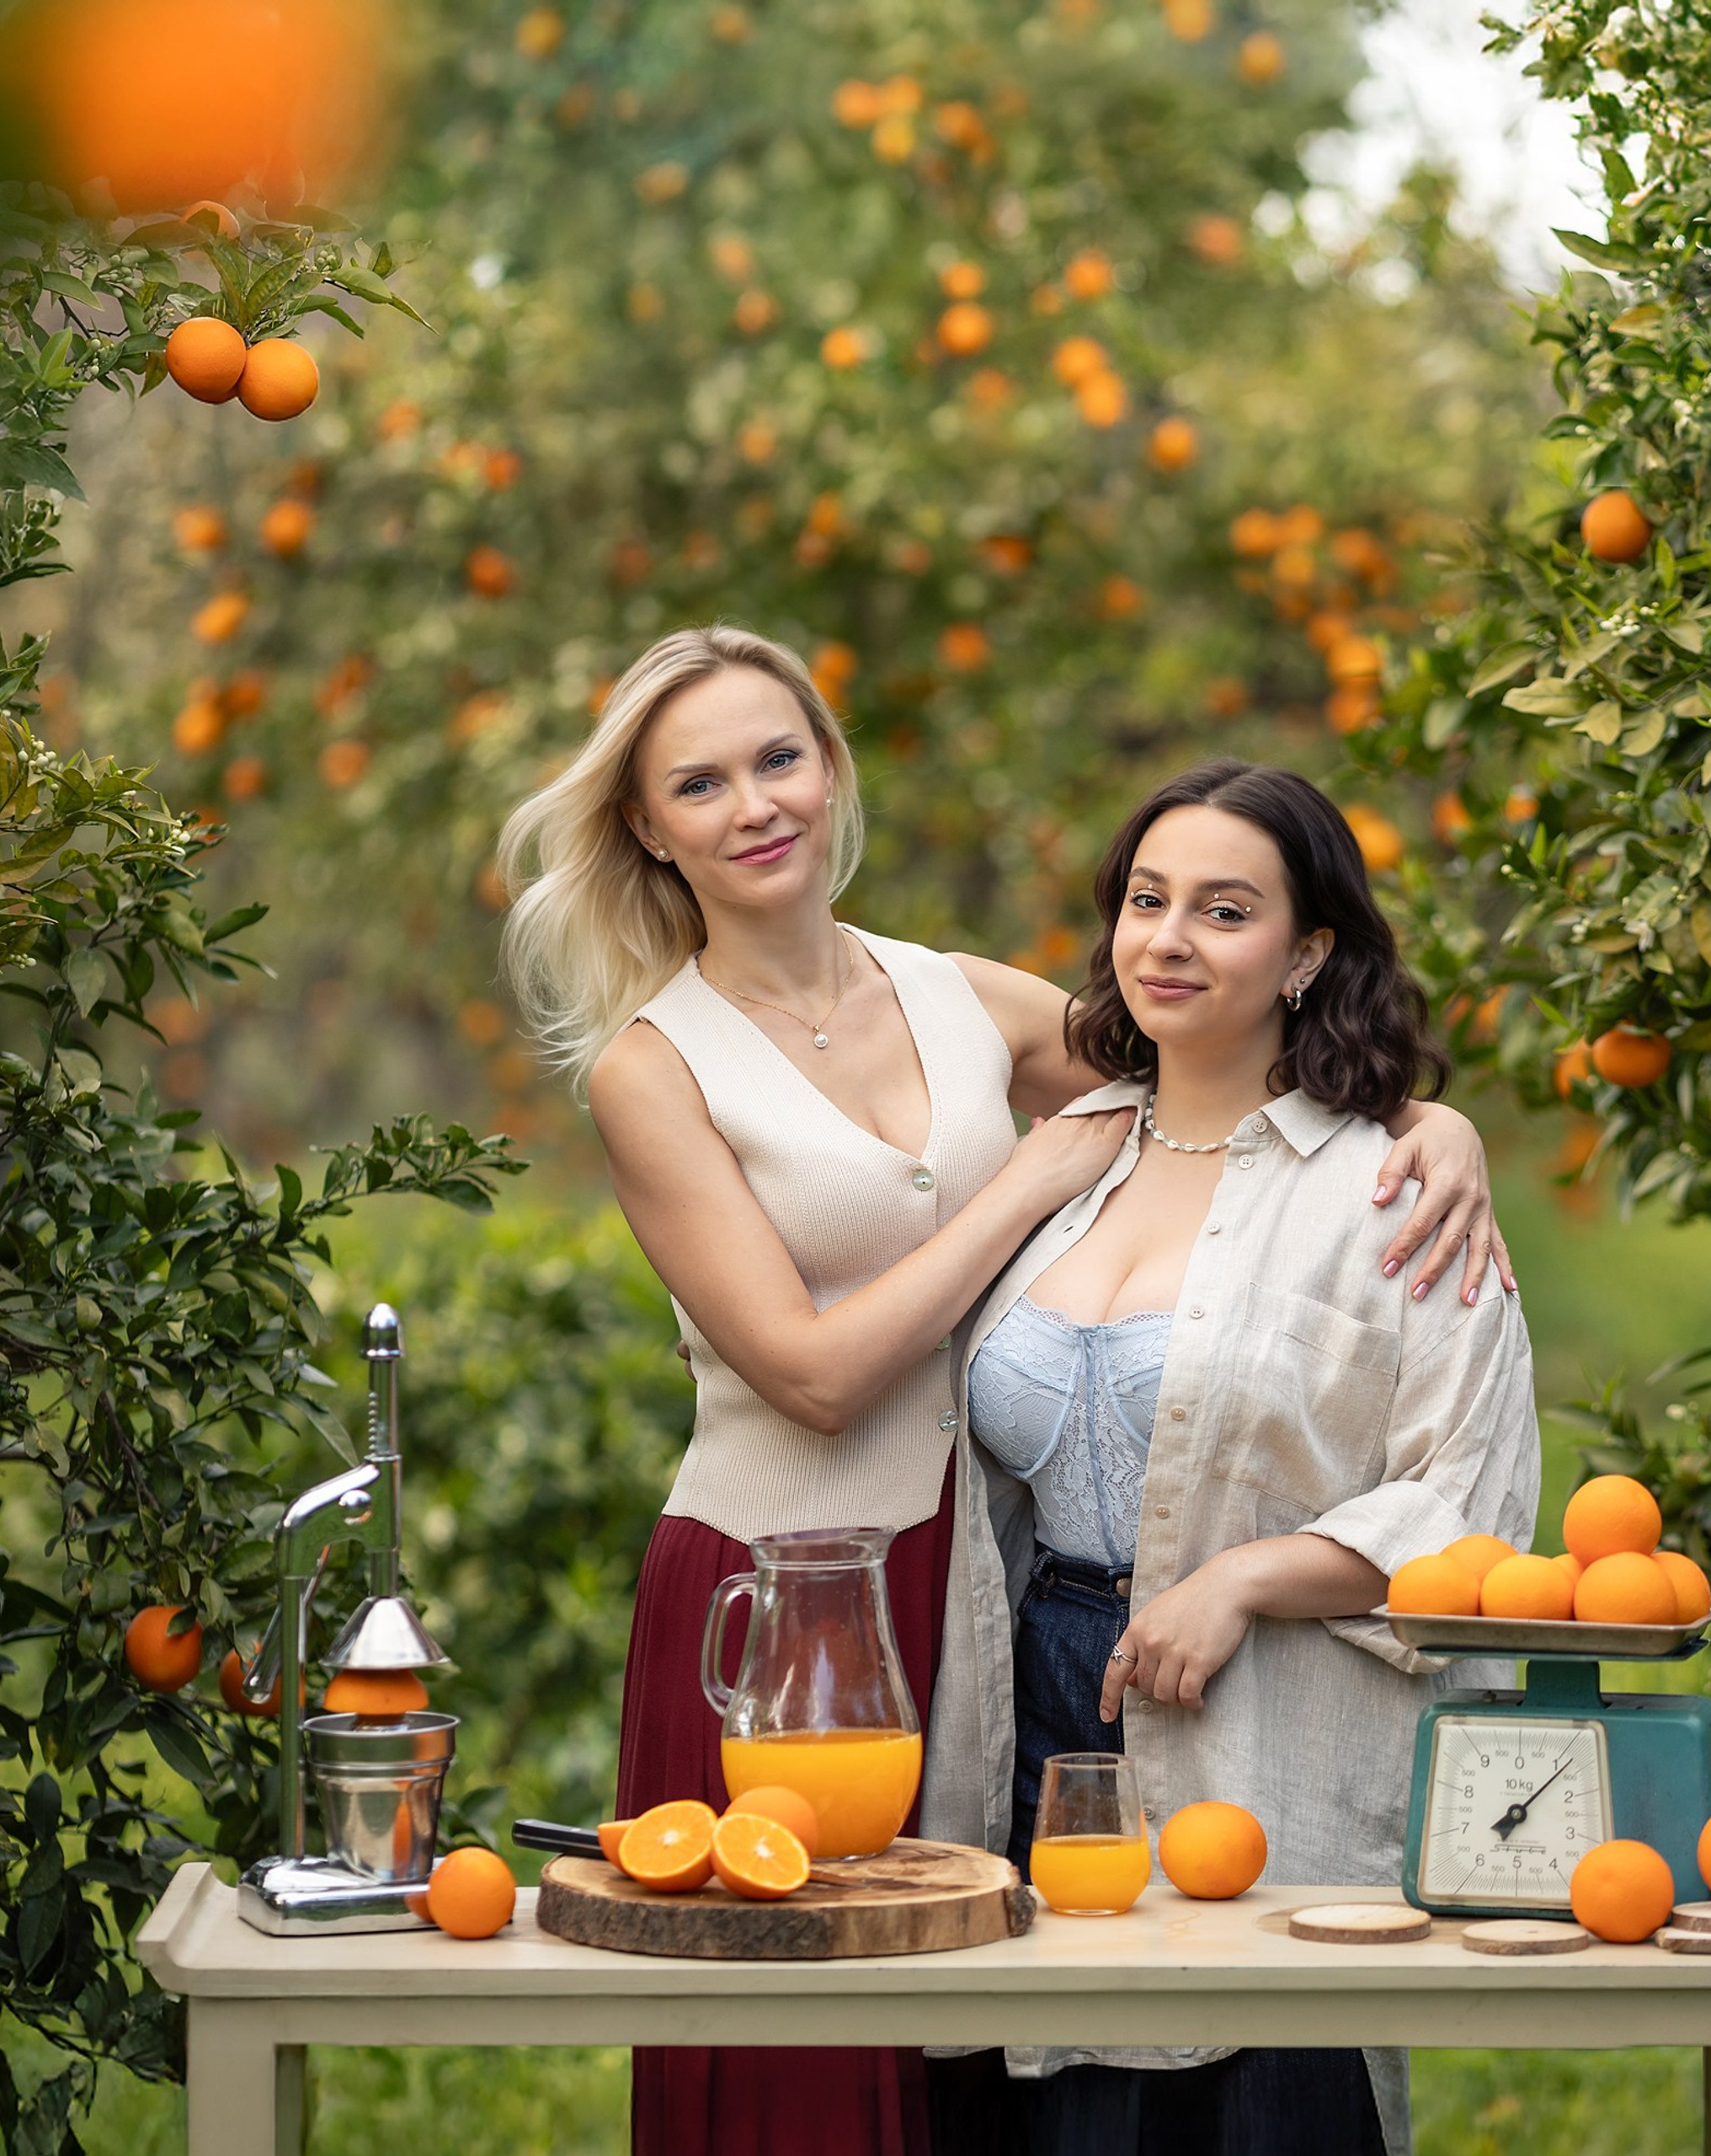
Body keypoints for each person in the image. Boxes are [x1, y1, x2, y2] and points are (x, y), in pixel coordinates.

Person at [498, 627, 1516, 2156]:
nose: (754, 805)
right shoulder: (657, 1067)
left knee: (983, 2070)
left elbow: (1210, 1047)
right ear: (648, 826)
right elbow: (816, 1373)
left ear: (831, 771)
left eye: (780, 758)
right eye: (697, 783)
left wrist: (1438, 1123)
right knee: (816, 2085)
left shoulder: (956, 994)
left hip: (978, 1571)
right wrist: (1021, 1182)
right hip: (785, 1602)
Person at [921, 760, 1542, 2156]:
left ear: (1309, 952)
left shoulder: (1391, 1185)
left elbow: (1473, 1491)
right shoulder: (1063, 1164)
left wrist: (1248, 1577)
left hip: (1261, 1707)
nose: (1171, 941)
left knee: (1259, 2091)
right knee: (1058, 2100)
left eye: (1224, 910)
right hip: (1039, 1702)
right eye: (1147, 901)